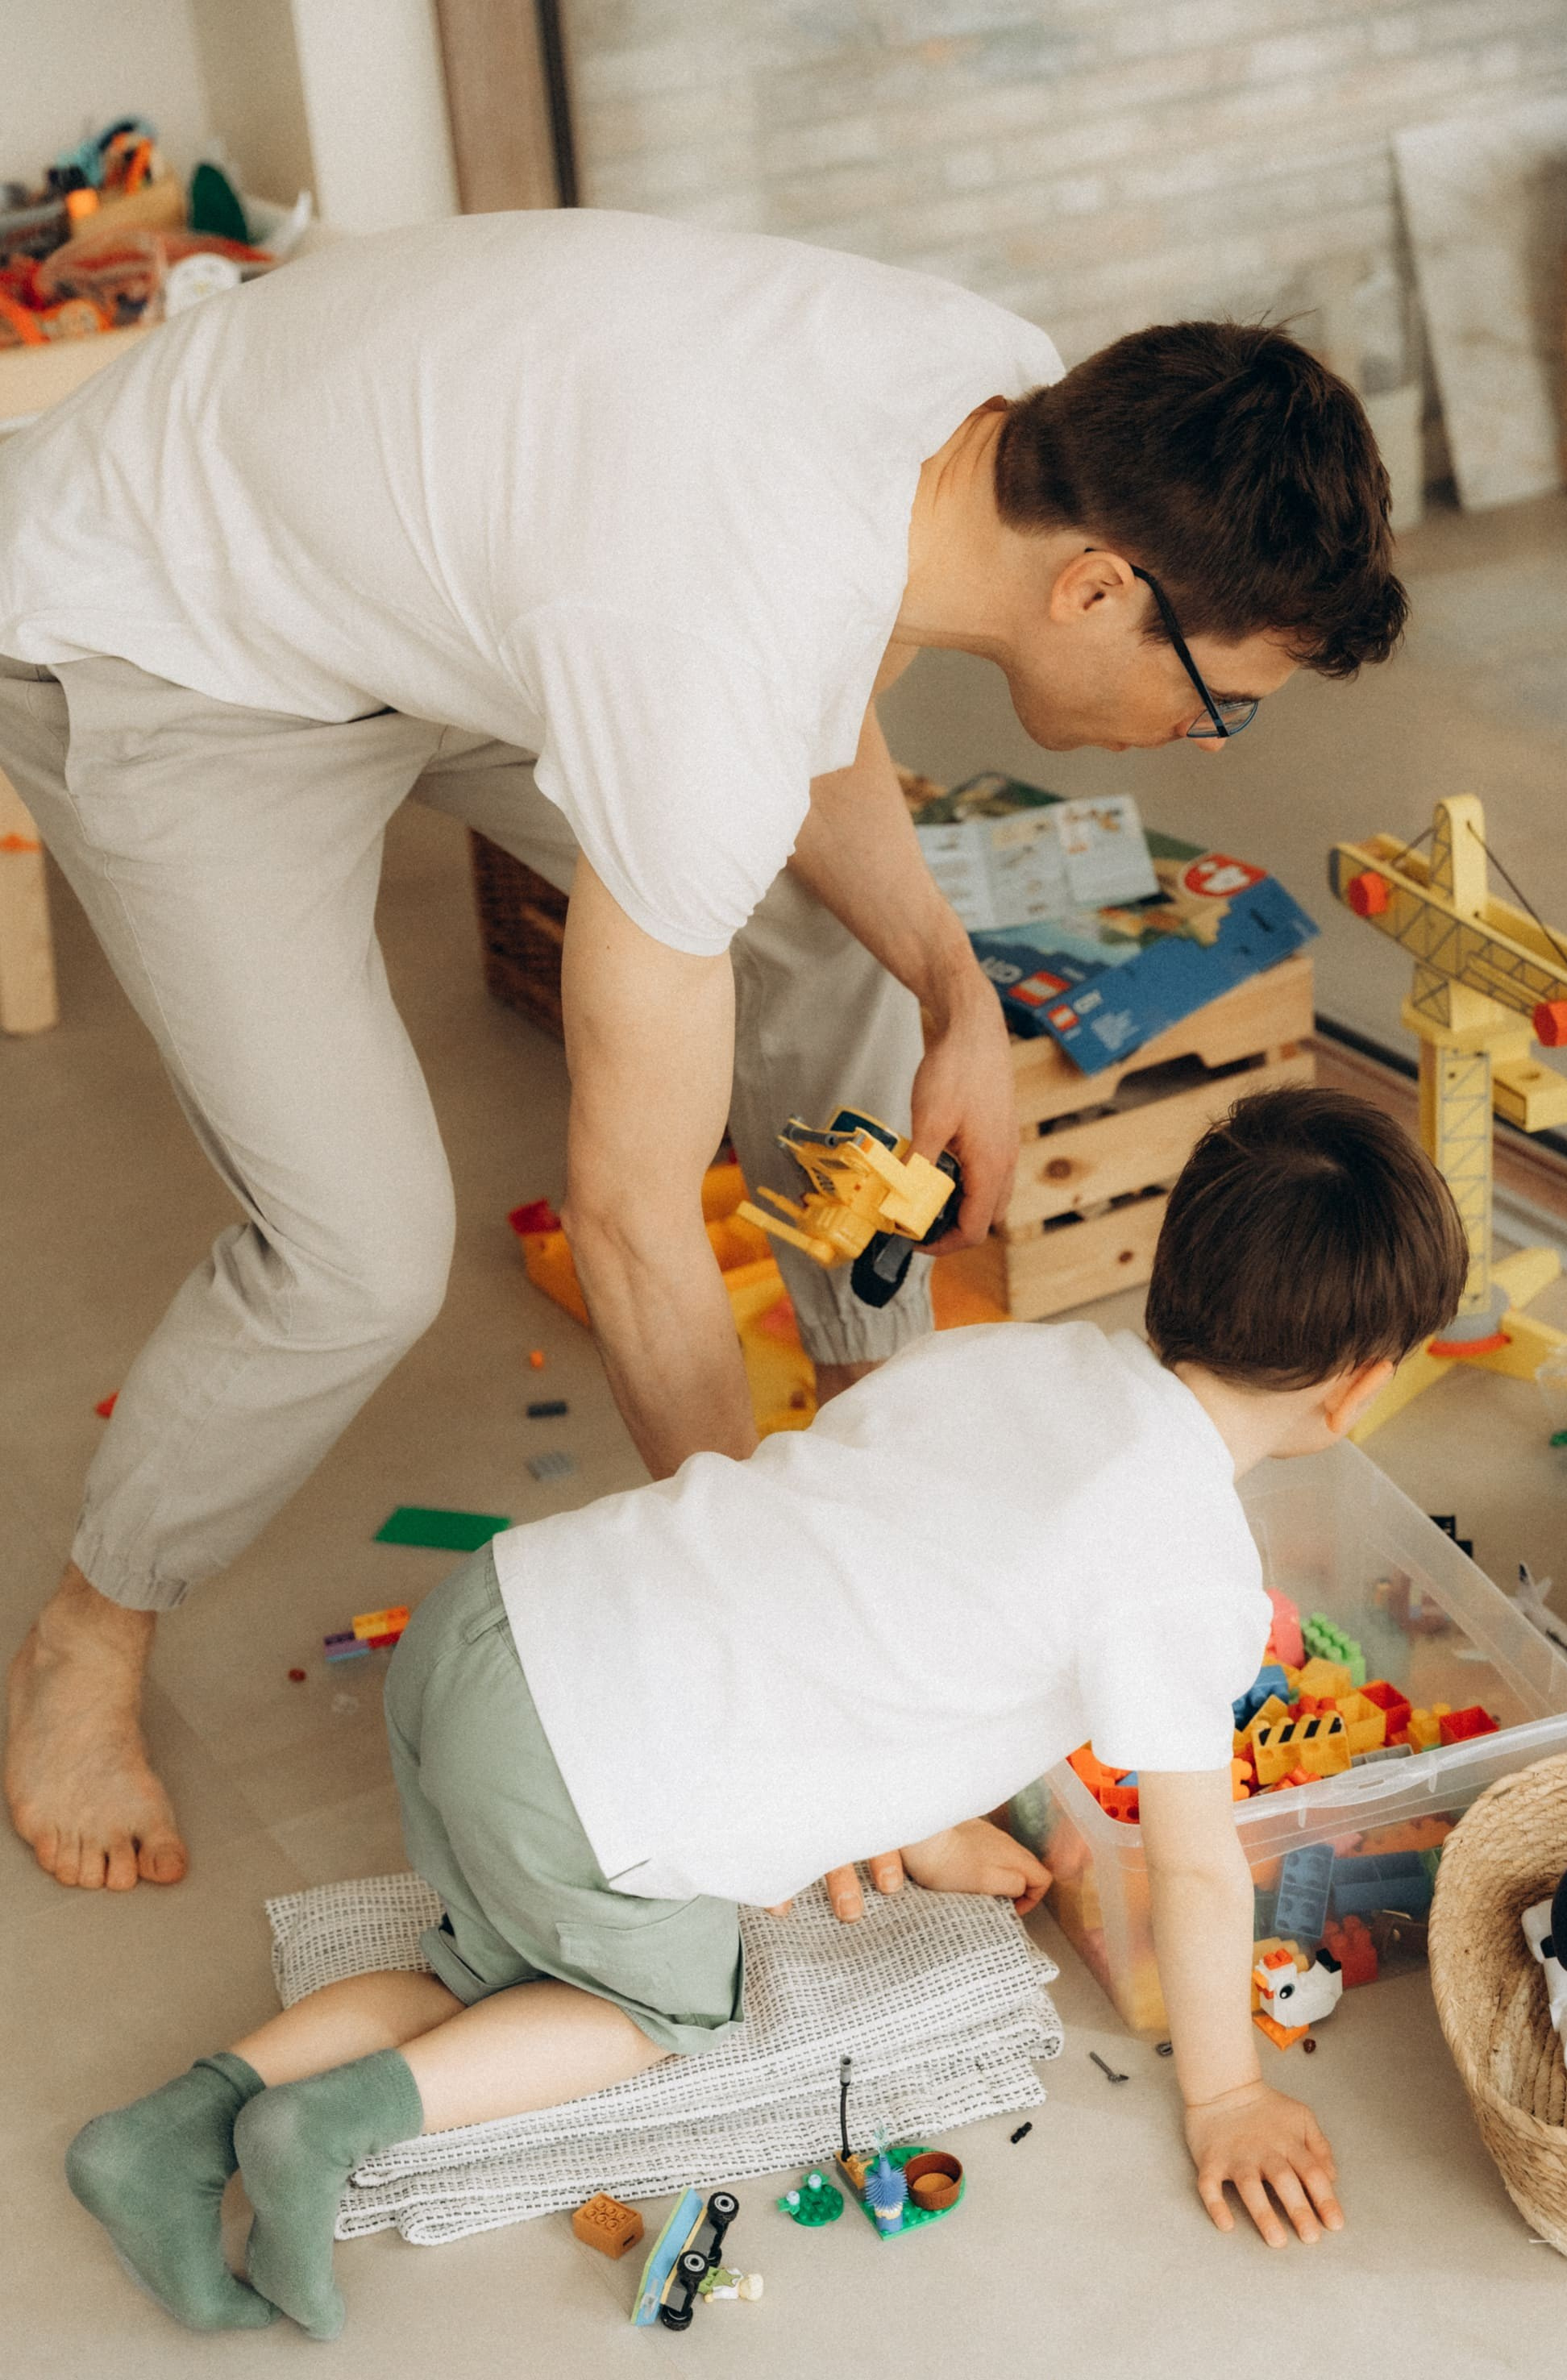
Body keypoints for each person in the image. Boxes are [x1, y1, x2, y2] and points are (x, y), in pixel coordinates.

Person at [0, 210, 1407, 1898]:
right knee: (356, 1253)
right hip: (174, 634)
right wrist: (795, 1632)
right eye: (1215, 694)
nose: (1204, 733)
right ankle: (89, 1632)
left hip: (438, 581)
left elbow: (808, 743)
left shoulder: (991, 402)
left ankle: (882, 1437)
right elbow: (632, 1222)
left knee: (830, 934)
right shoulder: (696, 637)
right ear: (1095, 585)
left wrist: (954, 991)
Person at [61, 1086, 1466, 2334]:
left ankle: (170, 2126)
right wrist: (1225, 2096)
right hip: (586, 1782)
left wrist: (924, 1829)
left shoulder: (1007, 1357)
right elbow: (1202, 1863)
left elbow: (868, 1597)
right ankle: (331, 2126)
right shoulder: (1185, 1568)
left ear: (1176, 1269)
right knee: (651, 2004)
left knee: (492, 1972)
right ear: (1355, 1388)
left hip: (489, 1624)